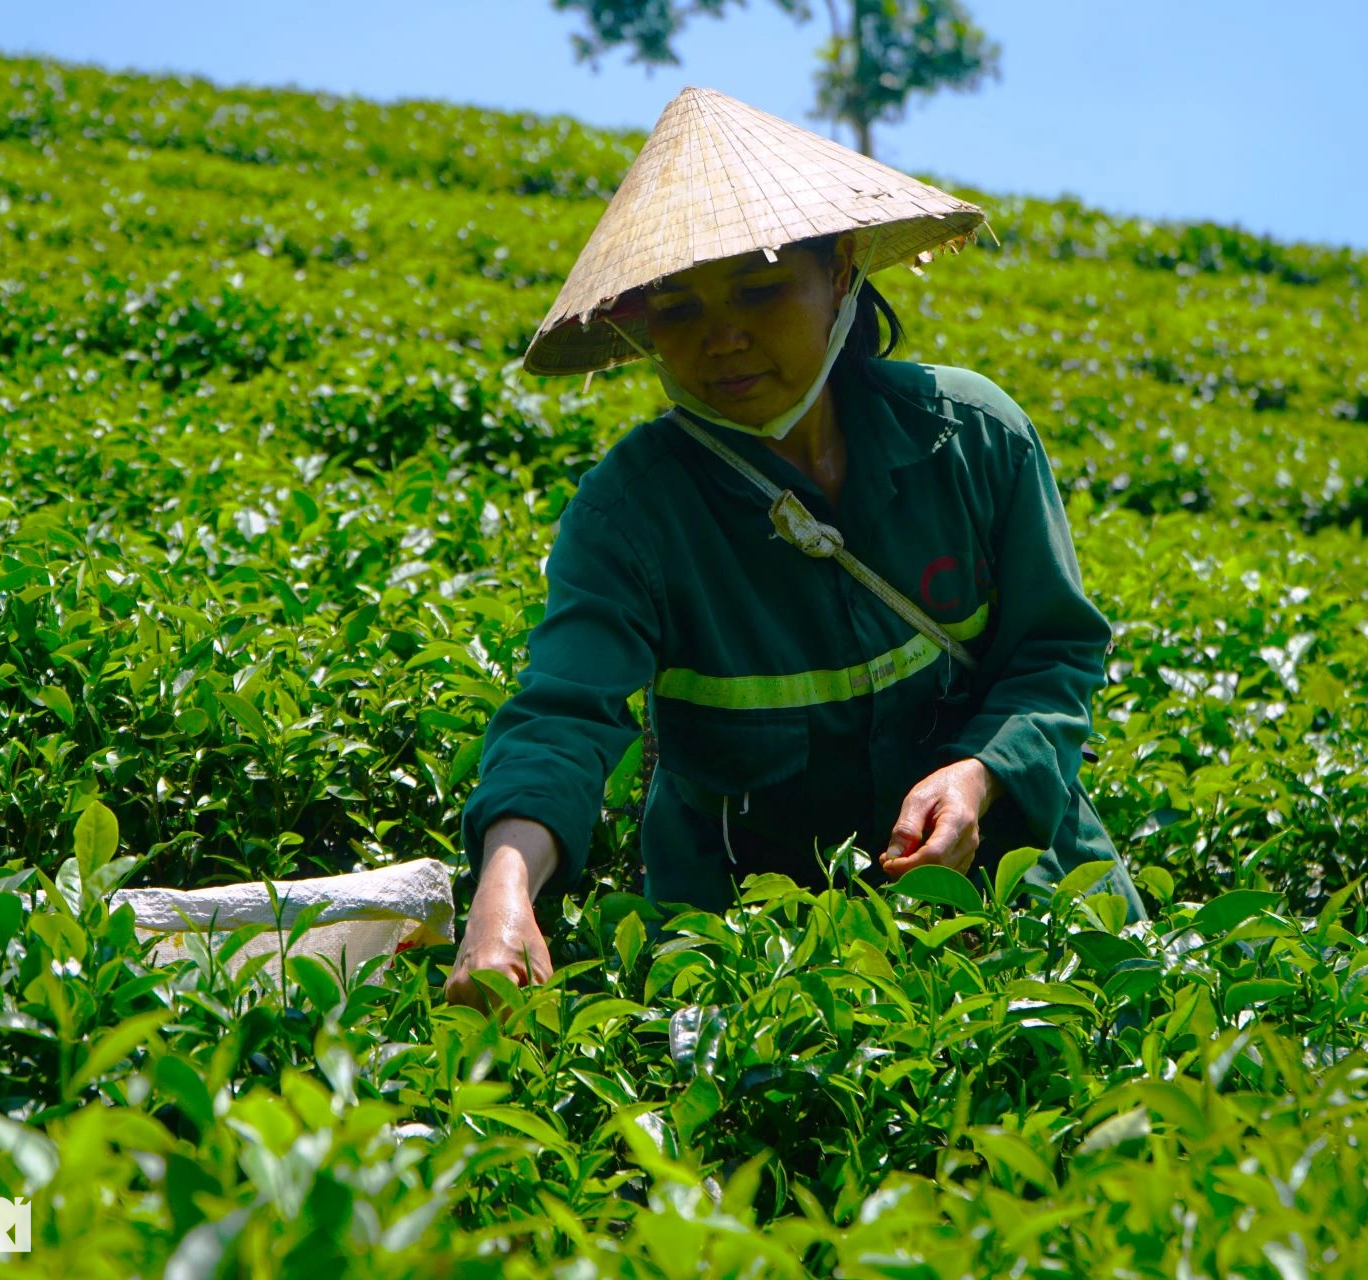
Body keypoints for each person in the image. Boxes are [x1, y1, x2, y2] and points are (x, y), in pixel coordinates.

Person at [446, 87, 1144, 1007]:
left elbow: (1053, 653)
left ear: (841, 271)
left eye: (759, 287)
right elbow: (564, 720)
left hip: (1028, 918)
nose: (721, 337)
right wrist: (505, 892)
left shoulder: (972, 439)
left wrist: (980, 776)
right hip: (762, 970)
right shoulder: (633, 516)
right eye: (679, 308)